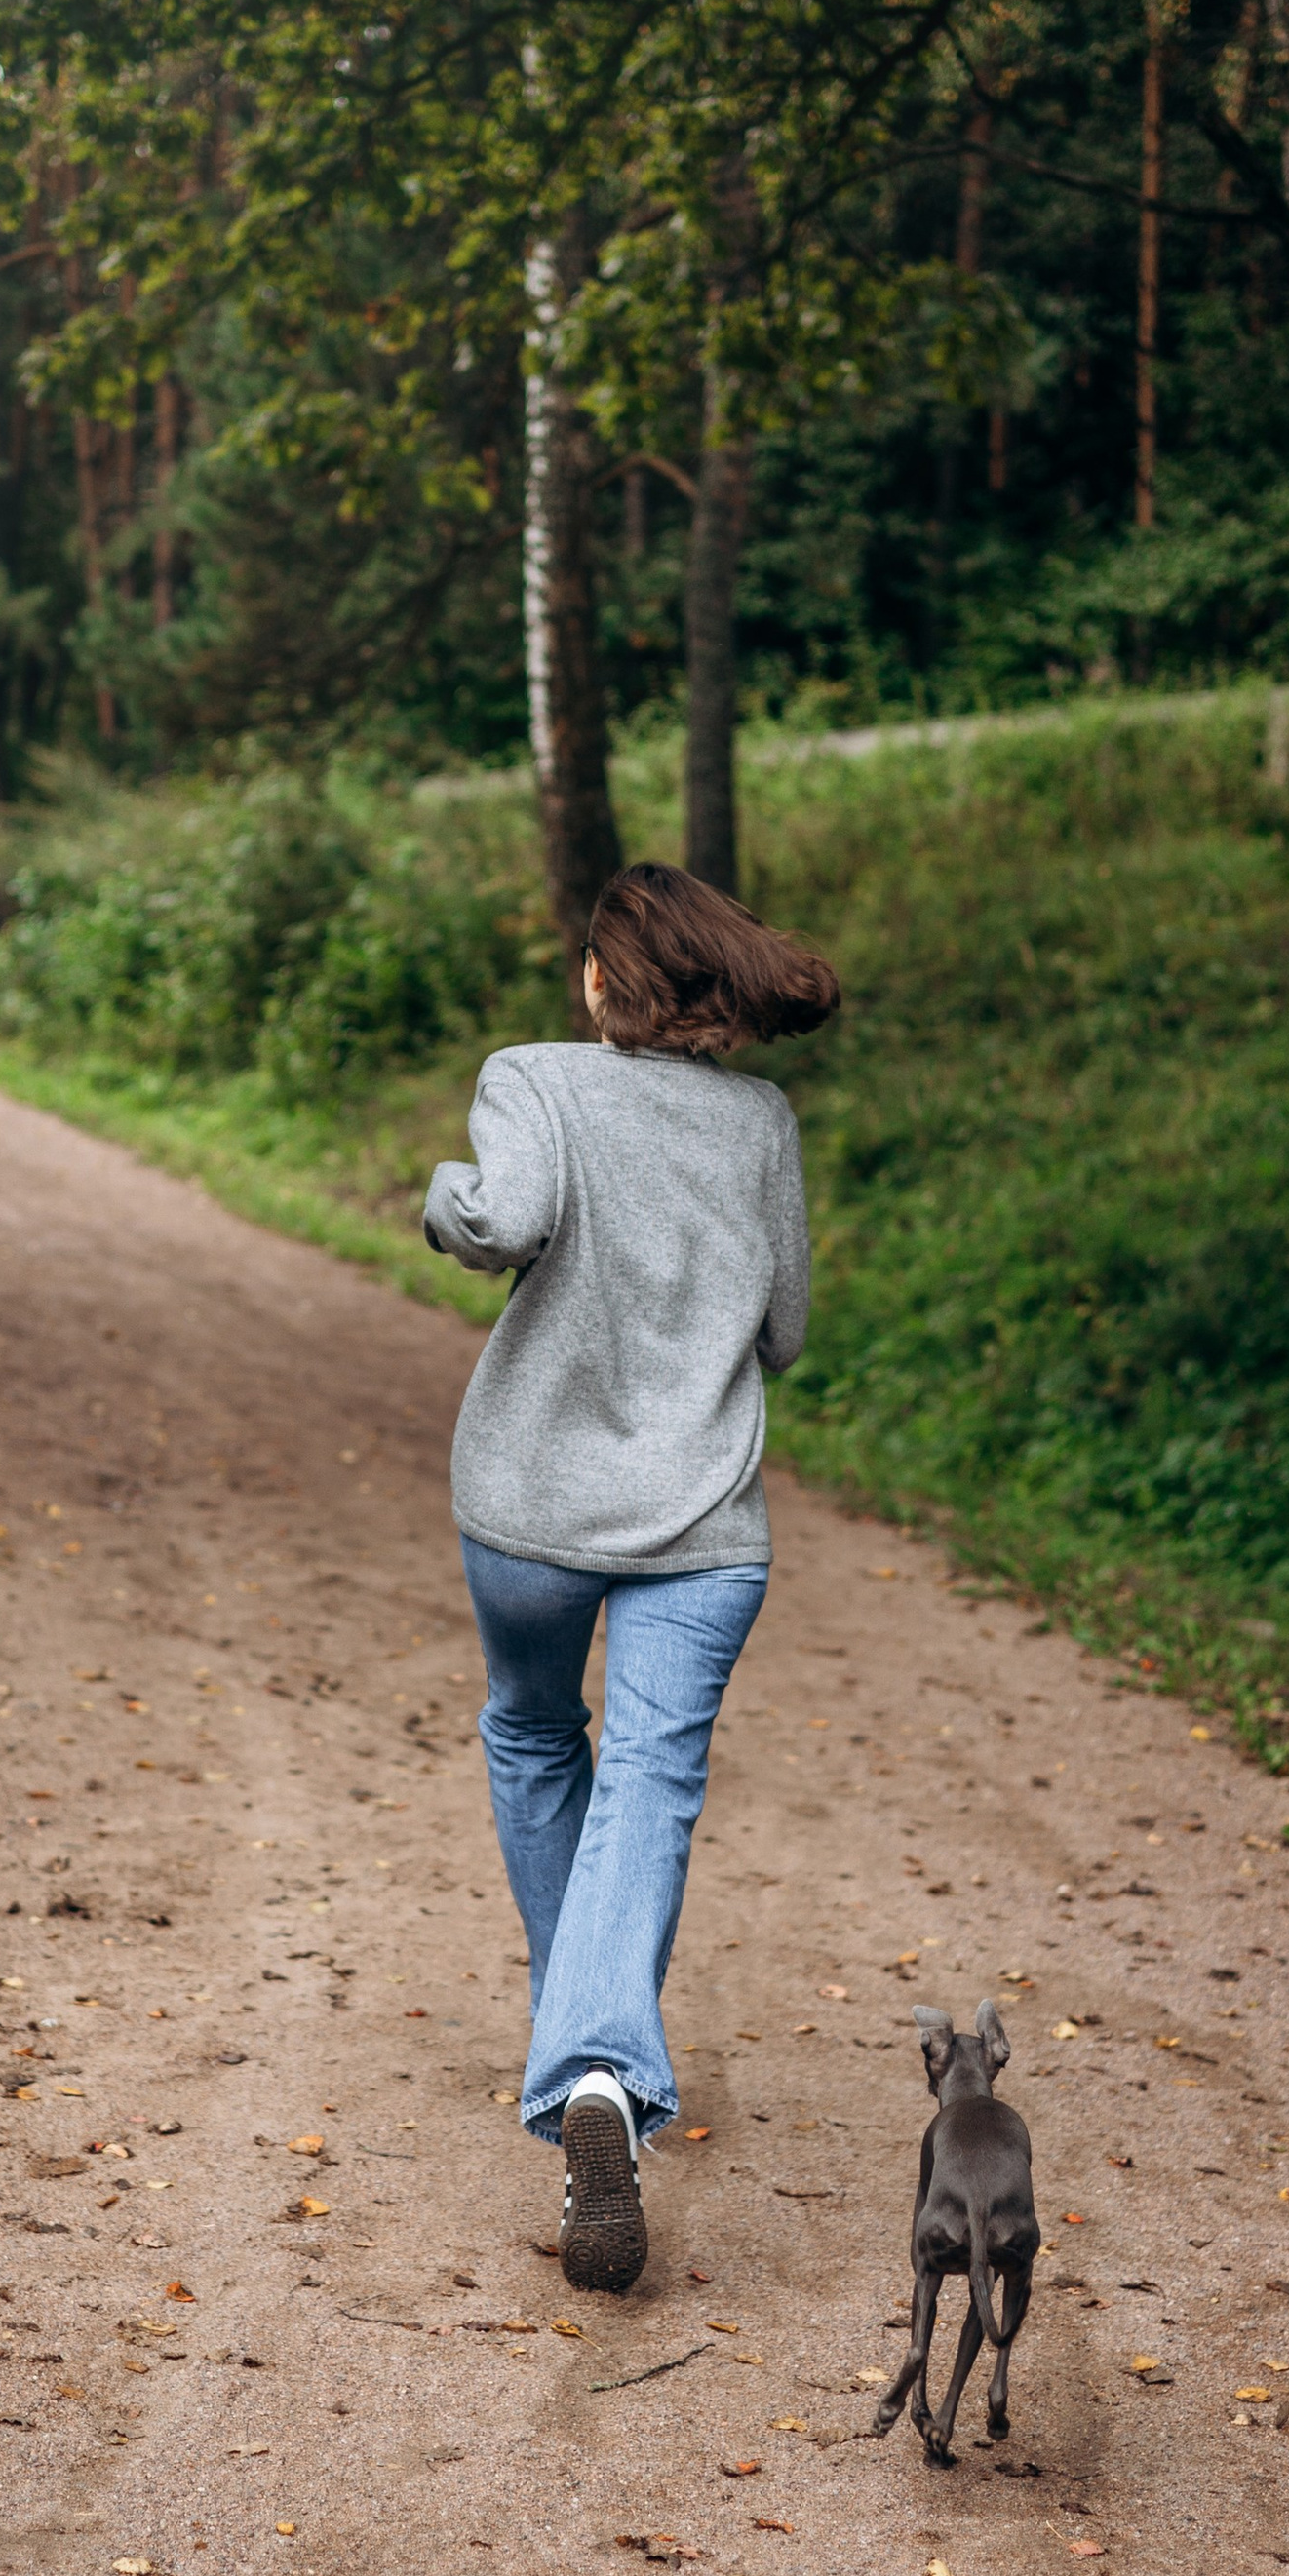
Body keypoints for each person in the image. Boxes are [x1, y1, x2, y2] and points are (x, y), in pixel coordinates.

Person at [421, 860, 840, 2293]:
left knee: (536, 1729)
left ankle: (587, 2060)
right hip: (704, 1524)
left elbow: (501, 1221)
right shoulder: (764, 1122)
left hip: (531, 1513)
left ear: (605, 982)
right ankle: (597, 2061)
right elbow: (783, 1333)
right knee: (653, 1779)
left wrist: (444, 1199)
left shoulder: (531, 1077)